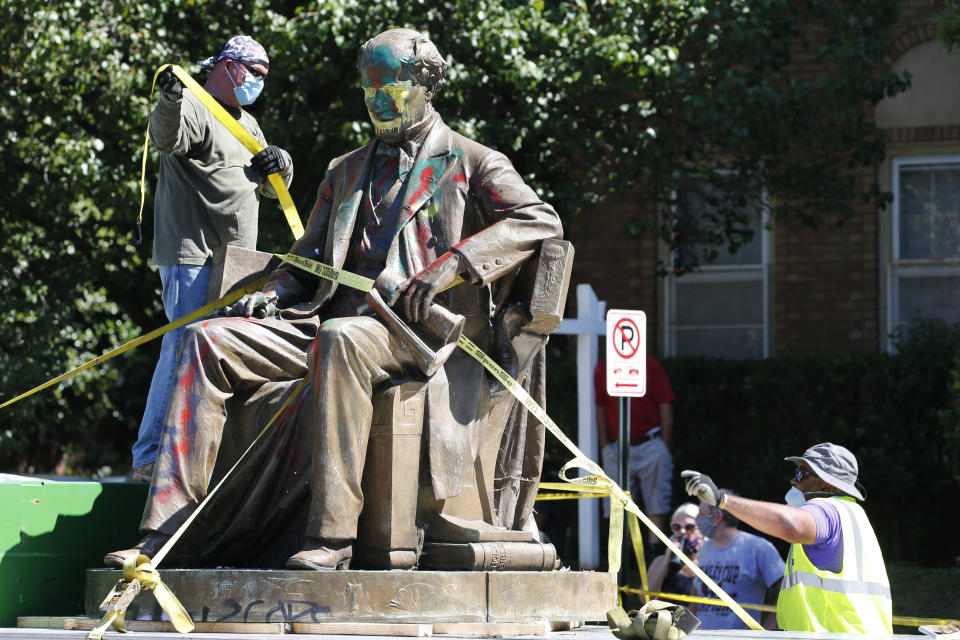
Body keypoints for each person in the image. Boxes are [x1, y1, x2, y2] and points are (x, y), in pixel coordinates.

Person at [105, 28, 563, 571]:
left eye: (388, 91)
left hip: (410, 332)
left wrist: (446, 270)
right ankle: (167, 533)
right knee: (206, 339)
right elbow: (305, 261)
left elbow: (539, 220)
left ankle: (332, 538)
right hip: (322, 321)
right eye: (367, 93)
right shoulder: (344, 170)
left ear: (425, 84)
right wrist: (271, 296)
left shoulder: (471, 161)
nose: (376, 103)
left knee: (341, 339)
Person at [129, 35, 294, 481]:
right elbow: (166, 137)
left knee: (213, 356)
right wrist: (170, 97)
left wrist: (282, 162)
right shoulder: (196, 106)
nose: (260, 82)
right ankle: (148, 458)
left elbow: (270, 184)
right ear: (226, 66)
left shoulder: (248, 124)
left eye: (264, 75)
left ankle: (196, 457)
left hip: (235, 264)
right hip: (193, 254)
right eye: (253, 72)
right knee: (182, 348)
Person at [682, 442, 892, 634]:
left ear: (830, 485)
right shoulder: (851, 513)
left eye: (802, 474)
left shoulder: (827, 509)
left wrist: (722, 500)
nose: (793, 480)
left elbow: (790, 526)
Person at [594, 355, 674, 548]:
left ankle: (653, 555)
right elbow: (600, 408)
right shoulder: (604, 368)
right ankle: (623, 560)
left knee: (656, 503)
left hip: (650, 443)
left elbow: (665, 405)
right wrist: (605, 445)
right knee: (617, 507)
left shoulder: (652, 365)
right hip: (616, 448)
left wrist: (663, 445)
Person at [689, 490, 784, 630]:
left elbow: (787, 591)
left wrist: (767, 633)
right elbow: (696, 593)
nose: (697, 518)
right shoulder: (704, 547)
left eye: (701, 513)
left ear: (716, 517)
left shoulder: (757, 547)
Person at [646, 503, 702, 599]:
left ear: (701, 529)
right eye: (677, 527)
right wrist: (666, 560)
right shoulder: (661, 560)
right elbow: (645, 598)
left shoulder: (708, 560)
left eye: (689, 527)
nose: (682, 531)